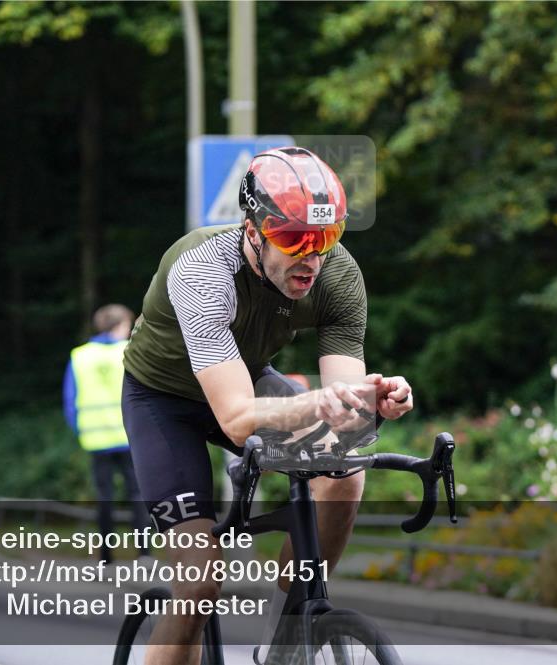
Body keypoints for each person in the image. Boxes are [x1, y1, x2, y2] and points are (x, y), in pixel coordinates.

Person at [121, 146, 414, 665]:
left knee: (343, 470)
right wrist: (325, 403)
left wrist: (371, 402)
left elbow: (342, 413)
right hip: (164, 400)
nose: (313, 258)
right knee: (200, 575)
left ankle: (283, 645)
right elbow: (235, 420)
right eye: (295, 239)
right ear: (253, 233)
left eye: (325, 238)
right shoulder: (202, 271)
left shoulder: (338, 277)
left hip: (248, 378)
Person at [64, 304, 150, 562]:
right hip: (130, 437)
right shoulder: (130, 351)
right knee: (137, 494)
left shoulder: (80, 355)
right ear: (120, 325)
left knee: (104, 498)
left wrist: (81, 430)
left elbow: (70, 399)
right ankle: (144, 554)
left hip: (96, 439)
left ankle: (105, 557)